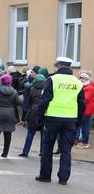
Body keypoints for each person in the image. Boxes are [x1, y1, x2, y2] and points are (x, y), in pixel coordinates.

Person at [36, 57, 85, 185]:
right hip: (70, 120)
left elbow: (44, 100)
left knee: (47, 147)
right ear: (69, 67)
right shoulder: (78, 82)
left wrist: (39, 118)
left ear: (58, 66)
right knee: (66, 149)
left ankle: (45, 175)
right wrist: (79, 121)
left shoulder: (52, 79)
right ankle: (63, 178)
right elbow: (81, 104)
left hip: (52, 118)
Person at [0, 74, 21, 158]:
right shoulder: (14, 91)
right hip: (10, 113)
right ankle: (5, 152)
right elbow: (18, 102)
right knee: (8, 132)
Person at [18, 74, 46, 157]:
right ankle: (42, 151)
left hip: (33, 111)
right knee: (43, 133)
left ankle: (25, 151)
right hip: (44, 111)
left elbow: (29, 101)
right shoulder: (47, 89)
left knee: (30, 132)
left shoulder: (32, 89)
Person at [75, 72, 94, 149]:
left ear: (86, 79)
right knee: (80, 125)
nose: (81, 79)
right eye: (80, 77)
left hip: (86, 110)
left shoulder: (89, 88)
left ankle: (85, 142)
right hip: (82, 109)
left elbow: (85, 99)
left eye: (82, 78)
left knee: (84, 126)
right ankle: (79, 140)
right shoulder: (83, 87)